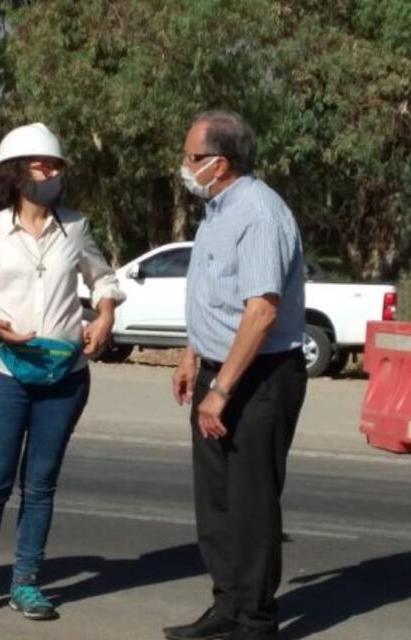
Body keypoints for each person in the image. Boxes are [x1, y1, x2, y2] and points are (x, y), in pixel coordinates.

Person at [0, 123, 125, 622]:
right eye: (43, 165)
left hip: (65, 375)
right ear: (18, 174)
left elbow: (102, 277)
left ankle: (26, 582)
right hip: (3, 371)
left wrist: (104, 314)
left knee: (40, 486)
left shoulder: (77, 227)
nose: (53, 172)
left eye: (57, 165)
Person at [164, 111, 307, 640]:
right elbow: (212, 295)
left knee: (251, 504)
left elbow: (262, 311)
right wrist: (193, 354)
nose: (183, 166)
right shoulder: (215, 211)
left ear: (219, 164)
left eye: (191, 158)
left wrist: (222, 388)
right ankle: (227, 607)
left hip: (259, 376)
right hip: (217, 368)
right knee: (216, 502)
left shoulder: (258, 213)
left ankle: (255, 621)